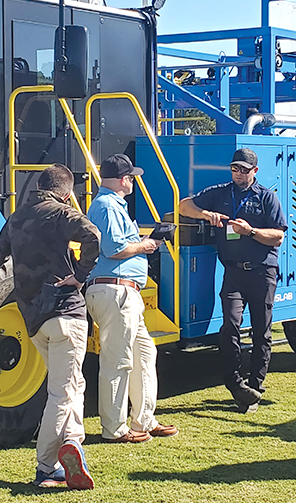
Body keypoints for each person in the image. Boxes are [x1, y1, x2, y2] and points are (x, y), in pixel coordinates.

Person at [0, 164, 98, 490]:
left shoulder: (17, 217)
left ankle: (73, 442)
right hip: (66, 314)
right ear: (66, 193)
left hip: (34, 319)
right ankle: (46, 467)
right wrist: (80, 274)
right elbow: (93, 236)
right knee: (63, 393)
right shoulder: (61, 214)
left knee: (73, 384)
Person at [179, 148, 287, 413]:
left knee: (262, 332)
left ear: (255, 172)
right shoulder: (221, 192)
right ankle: (235, 382)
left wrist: (249, 231)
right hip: (233, 272)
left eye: (244, 170)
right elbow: (184, 205)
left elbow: (278, 236)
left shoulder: (266, 198)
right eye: (234, 169)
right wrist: (206, 215)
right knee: (230, 327)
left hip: (263, 271)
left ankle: (256, 387)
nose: (238, 174)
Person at [85, 153, 179, 443]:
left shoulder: (108, 205)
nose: (134, 183)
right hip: (116, 290)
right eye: (132, 178)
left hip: (123, 291)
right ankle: (114, 429)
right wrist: (145, 245)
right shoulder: (107, 206)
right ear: (125, 179)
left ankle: (144, 420)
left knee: (144, 353)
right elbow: (114, 249)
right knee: (118, 359)